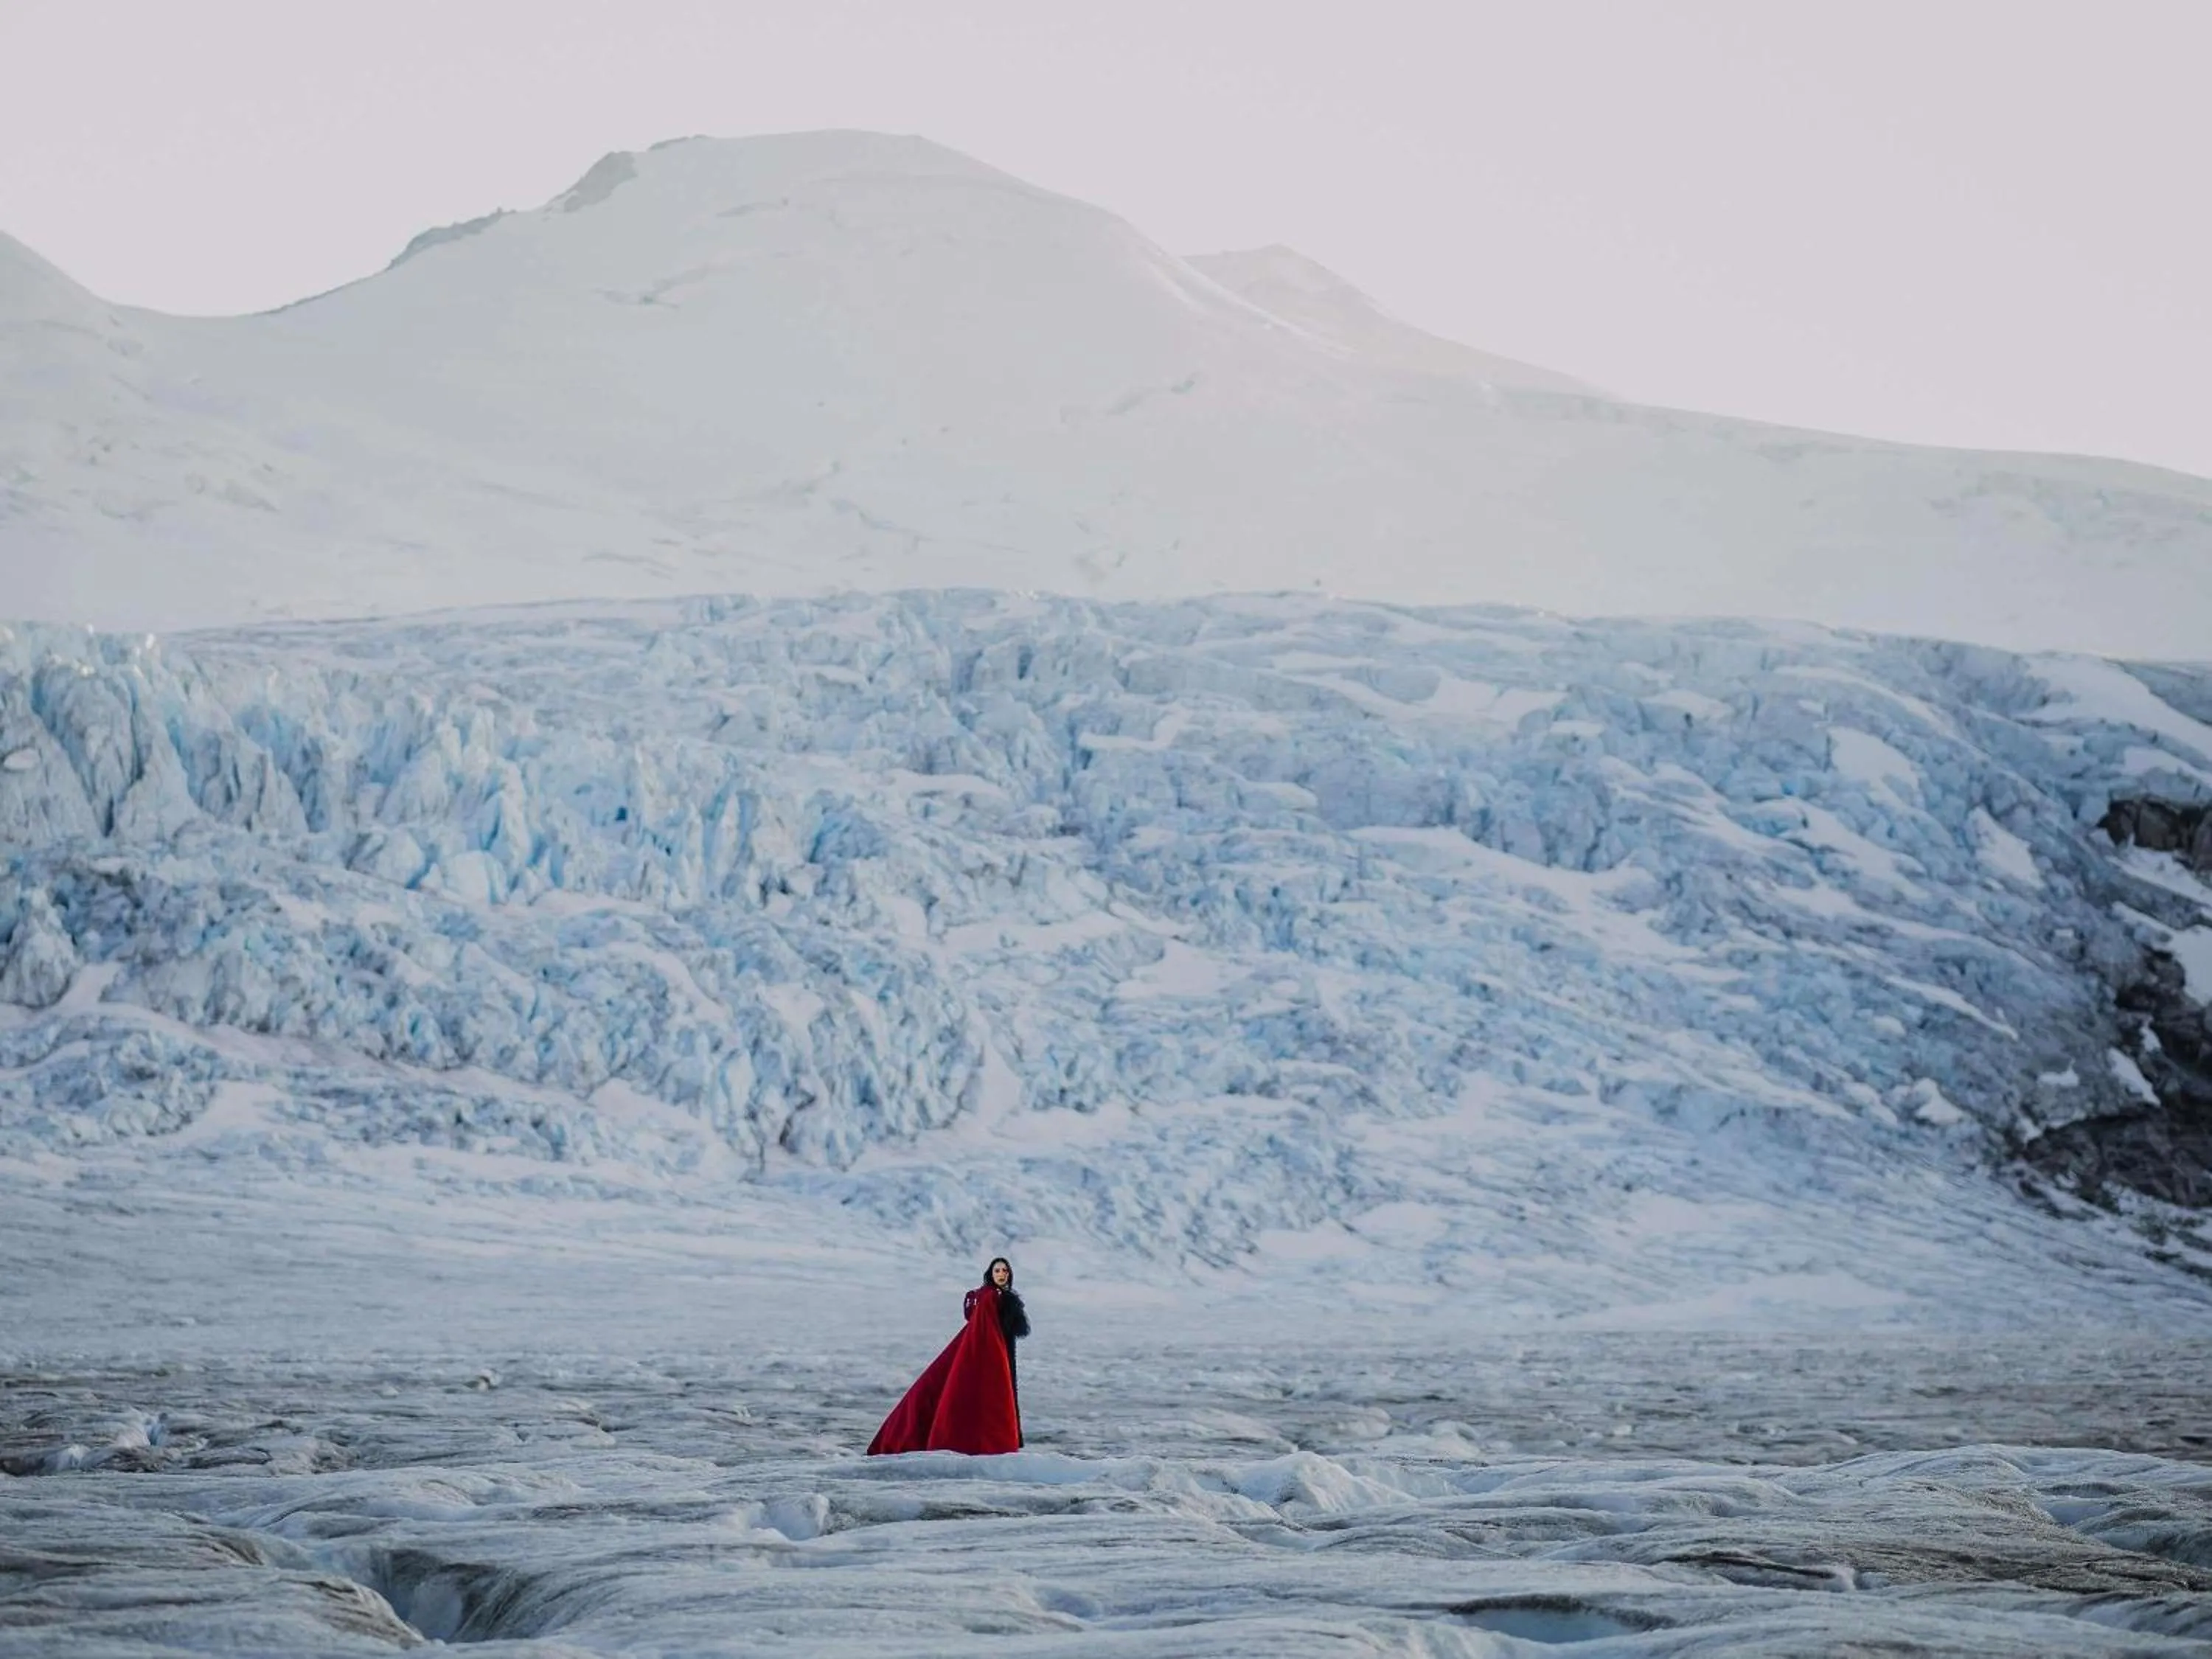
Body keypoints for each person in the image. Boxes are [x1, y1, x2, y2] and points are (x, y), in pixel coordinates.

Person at [866, 1258, 1031, 1455]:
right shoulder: (991, 1297)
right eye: (997, 1270)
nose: (1001, 1274)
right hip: (994, 1351)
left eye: (1005, 1271)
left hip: (998, 1348)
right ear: (990, 1273)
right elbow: (985, 1322)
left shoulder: (993, 1297)